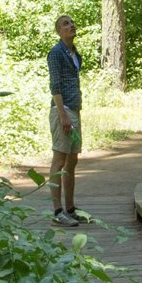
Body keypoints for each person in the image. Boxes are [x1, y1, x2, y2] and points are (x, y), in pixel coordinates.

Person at [46, 15, 85, 223]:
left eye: (71, 22)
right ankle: (57, 211)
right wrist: (62, 115)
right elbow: (56, 85)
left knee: (73, 160)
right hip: (63, 112)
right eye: (65, 24)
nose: (71, 25)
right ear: (59, 31)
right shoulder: (55, 53)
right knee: (59, 160)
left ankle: (70, 209)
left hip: (75, 111)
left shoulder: (74, 53)